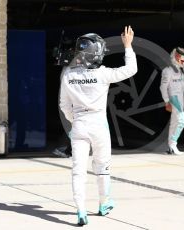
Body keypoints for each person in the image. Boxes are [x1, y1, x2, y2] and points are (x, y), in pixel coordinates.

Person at [59, 26, 137, 226]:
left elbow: (64, 105)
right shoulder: (103, 74)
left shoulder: (67, 74)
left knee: (78, 170)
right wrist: (128, 46)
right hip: (98, 125)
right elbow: (131, 70)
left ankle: (81, 210)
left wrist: (74, 120)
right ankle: (104, 204)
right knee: (102, 167)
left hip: (78, 124)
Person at [160, 47, 184, 155]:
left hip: (180, 99)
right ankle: (173, 144)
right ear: (177, 57)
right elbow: (163, 87)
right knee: (182, 121)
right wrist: (166, 102)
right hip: (173, 99)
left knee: (174, 123)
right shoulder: (167, 71)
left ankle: (170, 148)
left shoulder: (181, 70)